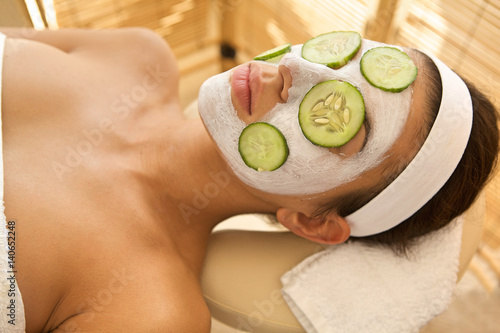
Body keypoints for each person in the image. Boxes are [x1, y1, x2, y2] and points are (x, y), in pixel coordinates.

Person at [0, 27, 497, 332]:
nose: (296, 68)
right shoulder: (136, 56)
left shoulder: (151, 311)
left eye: (343, 119)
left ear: (314, 223)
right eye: (339, 55)